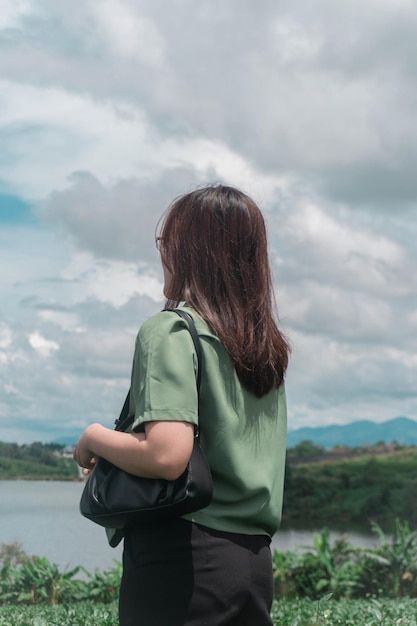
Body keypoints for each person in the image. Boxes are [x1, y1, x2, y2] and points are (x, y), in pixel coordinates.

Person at [73, 184, 290, 626]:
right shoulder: (262, 348)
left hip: (183, 560)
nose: (162, 253)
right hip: (252, 563)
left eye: (166, 241)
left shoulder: (170, 330)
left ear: (191, 250)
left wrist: (94, 437)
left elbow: (168, 456)